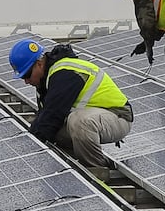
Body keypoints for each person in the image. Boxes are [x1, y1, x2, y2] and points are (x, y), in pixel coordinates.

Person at [8, 39, 133, 168]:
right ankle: (73, 166)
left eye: (27, 75)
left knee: (78, 122)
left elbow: (52, 115)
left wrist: (29, 152)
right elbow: (42, 120)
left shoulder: (65, 72)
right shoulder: (45, 82)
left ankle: (98, 168)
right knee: (53, 130)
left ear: (39, 64)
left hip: (118, 116)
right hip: (97, 118)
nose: (26, 81)